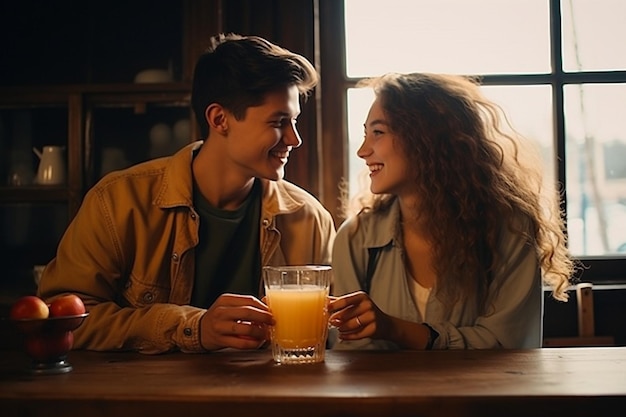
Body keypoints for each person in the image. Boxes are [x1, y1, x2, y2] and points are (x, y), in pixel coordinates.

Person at [37, 33, 336, 354]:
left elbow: (328, 338)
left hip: (269, 397)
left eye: (294, 122)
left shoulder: (309, 218)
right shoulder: (119, 201)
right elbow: (61, 318)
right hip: (148, 400)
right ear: (219, 119)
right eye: (279, 122)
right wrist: (191, 328)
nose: (294, 139)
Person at [328, 72, 577, 350]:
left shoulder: (510, 230)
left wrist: (396, 330)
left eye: (378, 132)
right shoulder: (354, 239)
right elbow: (347, 350)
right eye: (365, 134)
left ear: (426, 139)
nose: (362, 151)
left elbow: (509, 344)